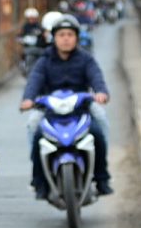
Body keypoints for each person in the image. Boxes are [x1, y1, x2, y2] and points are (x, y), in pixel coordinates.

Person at [20, 14, 113, 198]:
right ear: (53, 37)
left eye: (70, 34)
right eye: (61, 34)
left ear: (76, 37)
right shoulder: (44, 60)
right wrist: (28, 98)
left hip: (81, 108)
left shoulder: (86, 58)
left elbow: (96, 76)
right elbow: (34, 80)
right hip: (50, 108)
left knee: (98, 128)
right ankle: (39, 180)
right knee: (34, 129)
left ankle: (102, 178)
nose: (66, 39)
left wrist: (100, 92)